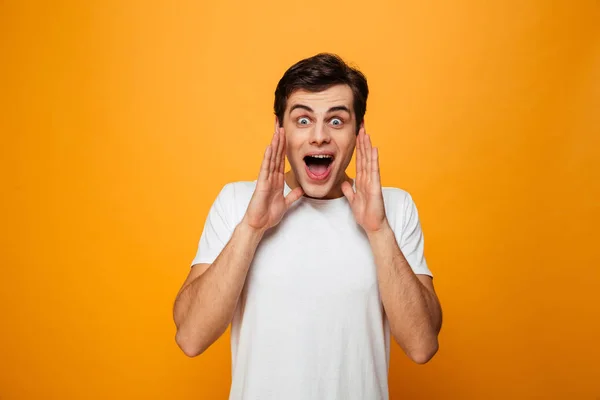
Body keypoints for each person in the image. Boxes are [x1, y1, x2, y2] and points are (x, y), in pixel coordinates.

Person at [173, 53, 442, 400]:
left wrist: (378, 231)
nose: (318, 137)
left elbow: (422, 346)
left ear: (358, 130)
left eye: (336, 121)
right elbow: (190, 338)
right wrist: (252, 228)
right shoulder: (237, 203)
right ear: (279, 129)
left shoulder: (395, 208)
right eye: (303, 120)